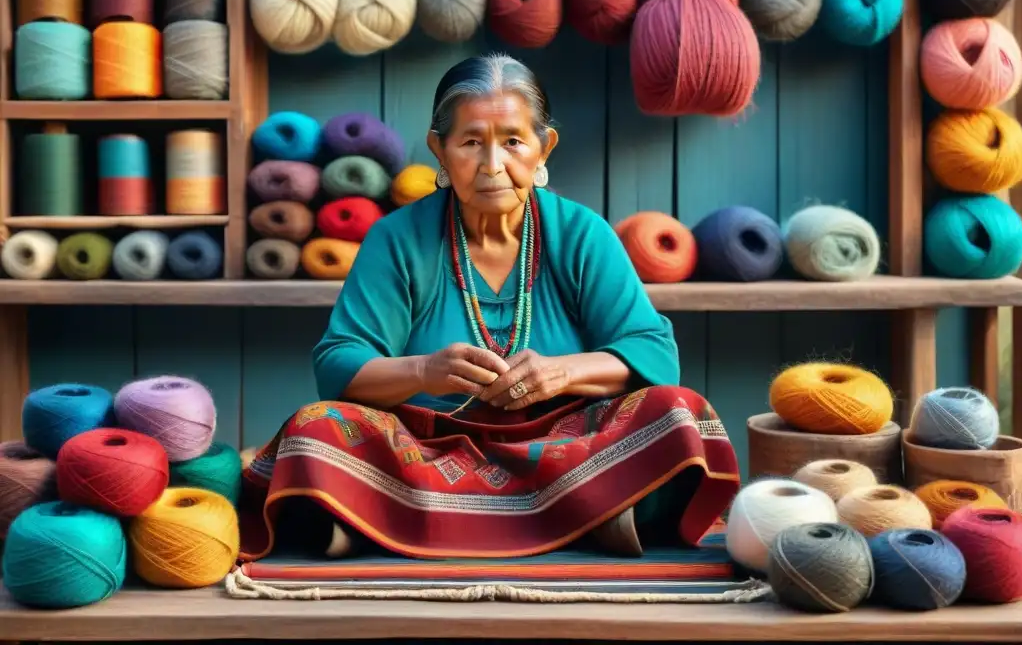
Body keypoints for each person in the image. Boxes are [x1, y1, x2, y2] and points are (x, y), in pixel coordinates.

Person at [239, 54, 739, 562]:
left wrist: (562, 374)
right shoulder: (398, 239)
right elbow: (338, 363)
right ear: (440, 149)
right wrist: (423, 371)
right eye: (472, 142)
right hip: (423, 453)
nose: (493, 164)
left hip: (565, 456)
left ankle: (378, 523)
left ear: (545, 148)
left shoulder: (581, 233)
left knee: (680, 415)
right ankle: (594, 517)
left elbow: (653, 353)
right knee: (315, 428)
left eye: (514, 142)